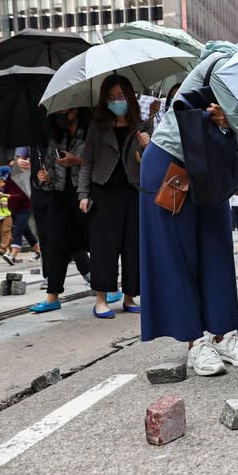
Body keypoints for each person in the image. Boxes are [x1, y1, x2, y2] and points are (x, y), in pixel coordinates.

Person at [140, 43, 238, 376]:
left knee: (216, 249)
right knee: (177, 254)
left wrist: (236, 123)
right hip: (171, 162)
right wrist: (237, 122)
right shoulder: (226, 64)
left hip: (209, 168)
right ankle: (195, 342)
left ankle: (223, 335)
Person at [78, 75, 146, 318]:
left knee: (133, 246)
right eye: (110, 97)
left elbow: (154, 161)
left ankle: (130, 297)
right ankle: (101, 299)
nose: (116, 101)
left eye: (120, 96)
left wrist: (147, 145)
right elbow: (87, 162)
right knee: (104, 248)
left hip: (134, 192)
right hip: (103, 192)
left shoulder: (141, 125)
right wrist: (83, 193)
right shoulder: (97, 125)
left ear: (129, 96)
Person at [29, 107, 93, 313]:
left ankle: (105, 287)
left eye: (68, 110)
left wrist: (77, 161)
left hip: (85, 195)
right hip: (59, 197)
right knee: (55, 244)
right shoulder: (56, 136)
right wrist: (45, 178)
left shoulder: (92, 132)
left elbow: (100, 164)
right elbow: (49, 167)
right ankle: (52, 295)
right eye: (60, 111)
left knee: (95, 242)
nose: (63, 114)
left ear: (78, 110)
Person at [1, 155, 41, 265]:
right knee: (26, 231)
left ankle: (13, 255)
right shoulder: (10, 176)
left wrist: (9, 196)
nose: (13, 168)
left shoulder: (25, 177)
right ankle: (38, 251)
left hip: (25, 208)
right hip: (13, 208)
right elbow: (6, 188)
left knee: (17, 230)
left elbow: (25, 196)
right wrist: (3, 192)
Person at [0, 176, 11, 256]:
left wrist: (3, 196)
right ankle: (12, 252)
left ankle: (3, 249)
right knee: (5, 234)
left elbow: (11, 199)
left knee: (6, 231)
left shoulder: (7, 189)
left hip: (7, 214)